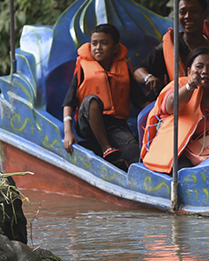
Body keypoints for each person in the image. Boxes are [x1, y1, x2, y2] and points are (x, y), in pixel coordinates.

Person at [62, 23, 147, 170]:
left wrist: (161, 108)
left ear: (115, 48)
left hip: (115, 124)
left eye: (104, 43)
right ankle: (106, 148)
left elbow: (141, 101)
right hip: (86, 123)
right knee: (92, 100)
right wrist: (68, 132)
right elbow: (68, 103)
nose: (98, 48)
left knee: (133, 151)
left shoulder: (123, 71)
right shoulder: (83, 69)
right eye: (94, 43)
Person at [140, 46, 209, 174]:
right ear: (189, 71)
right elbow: (171, 106)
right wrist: (190, 87)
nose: (205, 71)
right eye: (199, 67)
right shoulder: (178, 85)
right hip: (176, 154)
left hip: (207, 154)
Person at [134, 0, 209, 96]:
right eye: (183, 12)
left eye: (194, 11)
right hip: (181, 105)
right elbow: (139, 70)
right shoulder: (170, 46)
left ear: (205, 14)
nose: (187, 16)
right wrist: (148, 77)